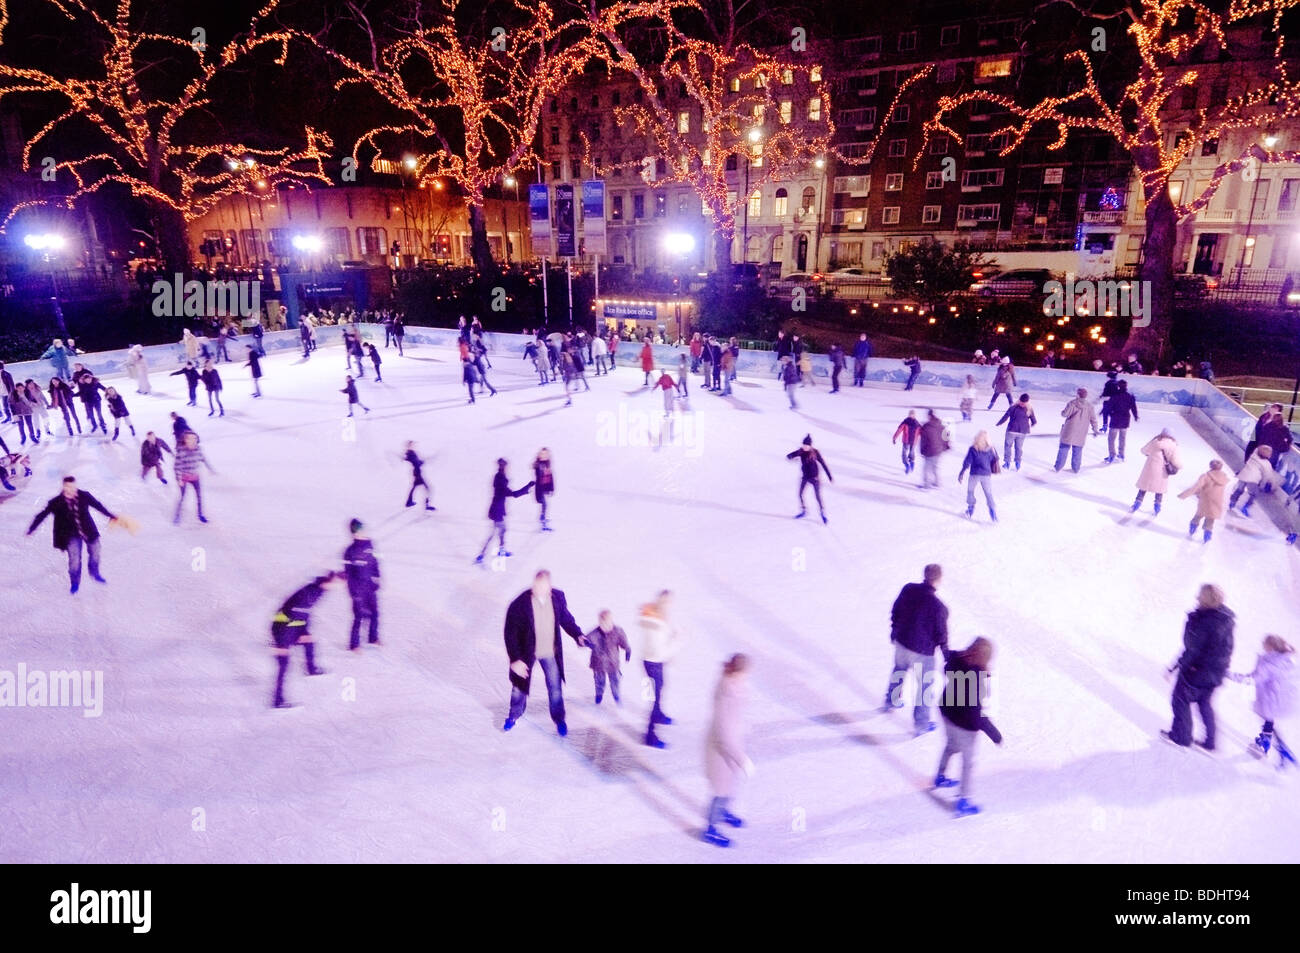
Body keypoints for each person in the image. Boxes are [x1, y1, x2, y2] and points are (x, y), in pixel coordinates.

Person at [502, 570, 587, 735]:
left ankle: (559, 719)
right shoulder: (519, 604)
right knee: (519, 687)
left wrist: (578, 635)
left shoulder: (557, 599)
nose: (538, 590)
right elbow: (510, 633)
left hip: (549, 651)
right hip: (527, 652)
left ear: (549, 588)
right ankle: (513, 715)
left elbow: (566, 620)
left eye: (542, 587)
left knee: (555, 687)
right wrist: (515, 660)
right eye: (536, 586)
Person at [934, 637, 1002, 818]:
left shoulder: (956, 661)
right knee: (968, 762)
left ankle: (940, 776)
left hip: (947, 712)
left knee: (951, 745)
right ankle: (964, 800)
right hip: (964, 724)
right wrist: (993, 733)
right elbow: (974, 712)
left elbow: (949, 660)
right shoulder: (975, 681)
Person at [1162, 584, 1234, 751]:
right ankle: (1210, 742)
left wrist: (1175, 666)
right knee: (1204, 704)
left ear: (1207, 600)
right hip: (1216, 673)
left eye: (1200, 596)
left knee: (1180, 699)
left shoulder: (1204, 621)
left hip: (1197, 671)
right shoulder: (1225, 619)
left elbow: (1192, 649)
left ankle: (1181, 737)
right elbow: (1227, 647)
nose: (1196, 598)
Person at [883, 564, 949, 735]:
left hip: (902, 642)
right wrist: (947, 654)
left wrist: (894, 630)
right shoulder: (938, 607)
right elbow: (941, 635)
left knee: (899, 671)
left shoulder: (909, 589)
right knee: (924, 687)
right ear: (939, 579)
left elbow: (895, 610)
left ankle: (891, 701)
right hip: (922, 652)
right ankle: (921, 724)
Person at [26, 476, 118, 593]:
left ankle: (94, 572)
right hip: (70, 534)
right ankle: (75, 581)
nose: (72, 489)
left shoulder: (84, 495)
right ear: (64, 487)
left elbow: (98, 505)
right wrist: (32, 528)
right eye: (69, 487)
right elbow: (42, 515)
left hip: (88, 530)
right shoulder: (56, 502)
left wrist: (111, 515)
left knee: (96, 551)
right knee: (74, 559)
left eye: (74, 486)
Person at [701, 653, 753, 848]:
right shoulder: (726, 691)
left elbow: (737, 716)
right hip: (721, 751)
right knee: (720, 792)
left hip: (732, 745)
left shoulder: (735, 684)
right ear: (737, 672)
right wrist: (741, 758)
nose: (746, 677)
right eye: (745, 674)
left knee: (731, 785)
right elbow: (724, 732)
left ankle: (724, 812)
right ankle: (710, 829)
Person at [270, 573, 340, 708]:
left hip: (293, 625)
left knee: (309, 641)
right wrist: (285, 640)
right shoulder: (310, 593)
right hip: (282, 628)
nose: (336, 587)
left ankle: (311, 669)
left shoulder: (319, 590)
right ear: (329, 581)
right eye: (335, 583)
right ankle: (278, 701)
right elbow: (294, 612)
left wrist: (304, 631)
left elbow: (306, 613)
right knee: (284, 665)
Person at [1236, 635, 1297, 766]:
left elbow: (1254, 678)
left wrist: (1229, 675)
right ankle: (1274, 746)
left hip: (1270, 698)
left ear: (1271, 646)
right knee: (1269, 720)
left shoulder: (1270, 662)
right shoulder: (1287, 660)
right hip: (1281, 698)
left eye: (1265, 643)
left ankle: (1269, 745)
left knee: (1267, 718)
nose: (1263, 645)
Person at [638, 590, 684, 748]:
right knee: (653, 698)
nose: (670, 605)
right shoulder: (656, 624)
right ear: (660, 603)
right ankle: (650, 736)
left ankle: (659, 715)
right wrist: (677, 641)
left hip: (652, 661)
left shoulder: (659, 616)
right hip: (652, 663)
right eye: (667, 602)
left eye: (671, 602)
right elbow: (660, 651)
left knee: (661, 688)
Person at [476, 458, 533, 563]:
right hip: (497, 511)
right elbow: (514, 494)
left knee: (501, 531)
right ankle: (482, 555)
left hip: (496, 509)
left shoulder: (498, 477)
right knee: (494, 533)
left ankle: (497, 552)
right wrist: (527, 487)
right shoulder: (501, 480)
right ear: (504, 467)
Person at [342, 518, 381, 650]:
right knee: (358, 616)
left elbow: (375, 562)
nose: (362, 533)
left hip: (370, 586)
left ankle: (373, 638)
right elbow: (348, 574)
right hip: (357, 589)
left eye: (362, 529)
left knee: (375, 613)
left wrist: (377, 577)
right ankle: (354, 645)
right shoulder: (349, 551)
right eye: (358, 531)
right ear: (354, 533)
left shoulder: (370, 545)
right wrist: (353, 592)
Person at [1179, 459, 1231, 543]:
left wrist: (1184, 495)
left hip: (1205, 499)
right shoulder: (1224, 478)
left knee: (1199, 514)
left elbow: (1196, 487)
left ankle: (1192, 528)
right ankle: (1207, 535)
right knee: (1210, 518)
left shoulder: (1205, 476)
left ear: (1210, 466)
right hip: (1217, 501)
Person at [585, 610, 631, 705]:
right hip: (598, 663)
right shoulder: (595, 633)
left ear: (611, 621)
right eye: (603, 624)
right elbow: (584, 639)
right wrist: (586, 643)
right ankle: (599, 694)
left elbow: (624, 642)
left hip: (612, 663)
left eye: (608, 624)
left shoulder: (618, 631)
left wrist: (627, 650)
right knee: (599, 681)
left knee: (615, 681)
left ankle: (616, 695)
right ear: (599, 623)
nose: (606, 627)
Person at [1131, 428, 1181, 514]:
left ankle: (1137, 503)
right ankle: (1157, 506)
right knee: (1159, 489)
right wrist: (1179, 466)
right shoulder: (1173, 445)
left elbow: (1144, 450)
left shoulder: (1155, 441)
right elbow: (1175, 460)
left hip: (1150, 468)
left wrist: (1149, 454)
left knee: (1144, 486)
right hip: (1162, 471)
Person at [786, 434, 833, 522]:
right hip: (805, 477)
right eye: (803, 445)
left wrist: (829, 476)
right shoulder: (801, 451)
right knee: (800, 494)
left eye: (806, 445)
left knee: (817, 496)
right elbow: (790, 455)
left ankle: (822, 512)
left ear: (810, 446)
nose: (804, 447)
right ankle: (804, 510)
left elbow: (823, 464)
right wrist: (790, 457)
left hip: (815, 478)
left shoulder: (815, 452)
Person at [173, 430, 215, 524]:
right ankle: (177, 516)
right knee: (182, 497)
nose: (193, 440)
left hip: (195, 477)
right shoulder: (181, 452)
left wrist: (210, 468)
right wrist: (179, 479)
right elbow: (176, 467)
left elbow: (203, 459)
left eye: (195, 438)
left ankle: (200, 515)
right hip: (184, 477)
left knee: (199, 496)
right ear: (186, 440)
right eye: (191, 438)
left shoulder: (198, 449)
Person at [1054, 387, 1099, 473]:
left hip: (1069, 430)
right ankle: (1076, 468)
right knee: (1077, 450)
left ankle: (1058, 467)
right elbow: (1093, 419)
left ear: (1078, 394)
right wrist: (1095, 429)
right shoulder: (1090, 406)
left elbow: (1064, 414)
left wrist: (1063, 411)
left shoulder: (1072, 403)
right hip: (1081, 432)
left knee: (1064, 448)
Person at [957, 431, 999, 521]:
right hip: (986, 475)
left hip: (974, 474)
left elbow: (967, 462)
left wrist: (962, 472)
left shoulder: (973, 449)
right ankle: (993, 513)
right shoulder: (991, 449)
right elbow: (995, 459)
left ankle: (970, 509)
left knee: (970, 491)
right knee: (988, 493)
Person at [1227, 445, 1275, 517]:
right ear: (1269, 456)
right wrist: (1262, 485)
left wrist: (1261, 449)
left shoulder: (1253, 456)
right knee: (1253, 494)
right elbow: (1266, 476)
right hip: (1253, 481)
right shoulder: (1267, 465)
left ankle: (1232, 502)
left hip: (1243, 475)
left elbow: (1256, 449)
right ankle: (1245, 507)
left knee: (1239, 489)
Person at [994, 394, 1035, 471]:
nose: (1022, 404)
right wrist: (1000, 422)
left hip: (1019, 432)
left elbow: (1033, 419)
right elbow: (1006, 416)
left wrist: (1033, 423)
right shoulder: (1017, 408)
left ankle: (1017, 462)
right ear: (1019, 400)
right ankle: (1007, 462)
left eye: (1024, 402)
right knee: (1009, 446)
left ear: (1027, 402)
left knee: (1017, 448)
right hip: (1013, 431)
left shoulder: (1027, 409)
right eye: (1022, 402)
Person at [1104, 380, 1138, 463]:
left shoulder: (1114, 396)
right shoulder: (1129, 396)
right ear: (1126, 386)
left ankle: (1112, 455)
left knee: (1111, 439)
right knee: (1122, 438)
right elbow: (1133, 407)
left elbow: (1109, 407)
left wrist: (1107, 415)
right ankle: (1121, 454)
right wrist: (1135, 416)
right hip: (1125, 420)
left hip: (1115, 420)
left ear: (1118, 386)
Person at [918, 409, 949, 488]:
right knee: (935, 467)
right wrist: (946, 446)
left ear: (929, 416)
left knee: (926, 469)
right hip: (938, 450)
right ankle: (937, 483)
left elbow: (923, 440)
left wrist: (922, 450)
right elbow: (946, 436)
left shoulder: (926, 427)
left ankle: (926, 485)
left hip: (929, 451)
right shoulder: (941, 425)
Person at [404, 441, 434, 510]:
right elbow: (416, 463)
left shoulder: (411, 453)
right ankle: (427, 505)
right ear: (408, 446)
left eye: (413, 445)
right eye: (411, 445)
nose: (413, 446)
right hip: (418, 474)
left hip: (416, 473)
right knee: (428, 489)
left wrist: (421, 462)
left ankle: (408, 502)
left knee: (414, 488)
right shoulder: (410, 454)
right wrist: (421, 462)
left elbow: (416, 462)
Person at [531, 447, 556, 531]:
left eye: (546, 454)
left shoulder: (546, 464)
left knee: (545, 505)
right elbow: (539, 477)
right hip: (540, 489)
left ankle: (543, 518)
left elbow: (550, 477)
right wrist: (538, 464)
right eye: (543, 454)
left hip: (544, 488)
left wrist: (551, 488)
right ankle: (543, 521)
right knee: (544, 504)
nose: (545, 455)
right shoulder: (539, 465)